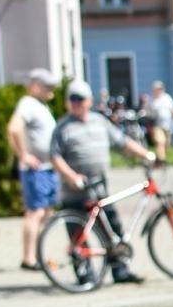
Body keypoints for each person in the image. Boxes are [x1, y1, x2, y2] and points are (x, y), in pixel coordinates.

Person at [50, 80, 158, 285]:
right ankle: (85, 275)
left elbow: (122, 142)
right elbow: (55, 157)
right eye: (72, 99)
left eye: (80, 99)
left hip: (99, 190)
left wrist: (147, 155)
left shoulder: (99, 122)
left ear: (89, 101)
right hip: (75, 192)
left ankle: (120, 270)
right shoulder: (63, 127)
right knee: (78, 237)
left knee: (113, 229)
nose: (76, 103)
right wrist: (71, 176)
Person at [9, 69, 61, 273]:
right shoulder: (27, 104)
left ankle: (39, 254)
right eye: (48, 87)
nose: (52, 91)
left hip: (47, 168)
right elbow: (14, 129)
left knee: (46, 212)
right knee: (36, 212)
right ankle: (29, 258)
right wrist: (24, 155)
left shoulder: (40, 105)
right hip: (36, 170)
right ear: (36, 86)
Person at [146, 81, 173, 164]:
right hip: (156, 125)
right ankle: (162, 160)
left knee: (166, 143)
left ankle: (159, 159)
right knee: (160, 141)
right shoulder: (151, 99)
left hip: (167, 125)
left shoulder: (167, 98)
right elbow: (147, 112)